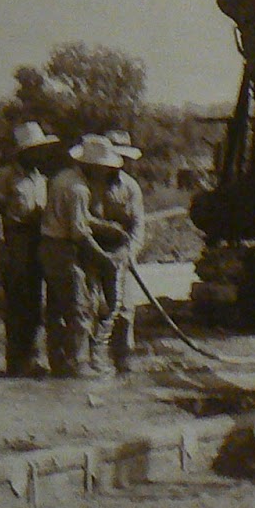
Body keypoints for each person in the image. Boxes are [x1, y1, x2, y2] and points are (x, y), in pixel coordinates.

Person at [39, 135, 124, 380]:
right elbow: (80, 233)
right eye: (105, 168)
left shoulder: (63, 178)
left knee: (57, 307)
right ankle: (78, 362)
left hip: (50, 246)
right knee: (80, 307)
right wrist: (103, 258)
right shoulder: (78, 189)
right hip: (62, 249)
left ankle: (59, 361)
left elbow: (80, 218)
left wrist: (107, 227)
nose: (107, 173)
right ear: (94, 167)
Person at [0, 122, 61, 376]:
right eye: (34, 150)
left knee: (35, 299)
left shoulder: (41, 178)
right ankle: (16, 360)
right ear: (23, 152)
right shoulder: (8, 176)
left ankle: (32, 356)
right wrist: (1, 246)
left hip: (37, 238)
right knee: (17, 300)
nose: (39, 154)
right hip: (16, 238)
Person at [91, 130, 146, 377]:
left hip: (121, 253)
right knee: (93, 307)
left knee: (124, 310)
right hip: (91, 251)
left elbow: (137, 225)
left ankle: (123, 360)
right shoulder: (89, 185)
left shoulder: (131, 187)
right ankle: (92, 360)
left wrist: (130, 253)